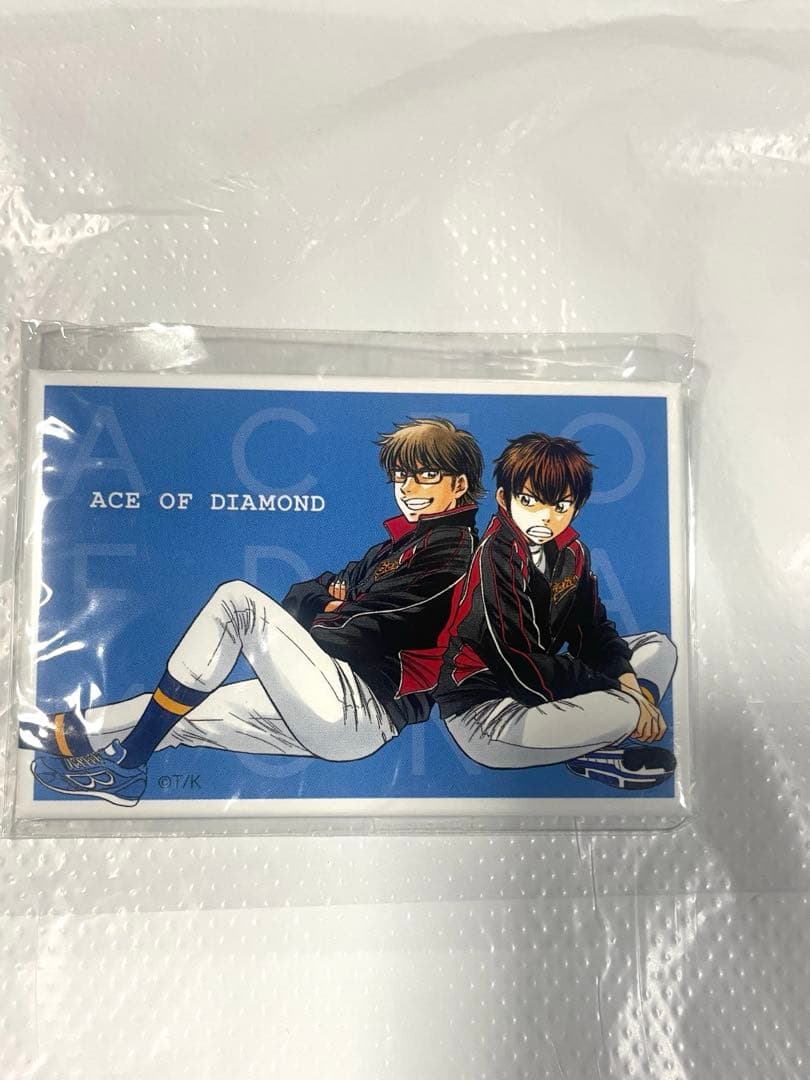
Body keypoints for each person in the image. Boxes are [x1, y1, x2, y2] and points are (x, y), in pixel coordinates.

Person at [29, 417, 484, 806]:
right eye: (401, 477)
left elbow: (365, 634)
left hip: (362, 704)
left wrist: (329, 609)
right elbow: (302, 595)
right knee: (181, 716)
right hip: (330, 698)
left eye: (425, 476)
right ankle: (55, 737)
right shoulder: (398, 545)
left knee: (238, 603)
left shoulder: (455, 552)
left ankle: (129, 763)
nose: (408, 489)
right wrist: (330, 604)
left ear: (459, 484)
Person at [433, 432, 677, 790]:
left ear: (576, 507)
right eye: (529, 501)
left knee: (659, 648)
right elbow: (520, 663)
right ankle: (614, 725)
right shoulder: (495, 556)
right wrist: (623, 694)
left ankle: (594, 739)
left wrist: (628, 683)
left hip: (546, 693)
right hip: (487, 713)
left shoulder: (571, 553)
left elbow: (592, 631)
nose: (545, 518)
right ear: (503, 499)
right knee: (623, 709)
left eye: (560, 506)